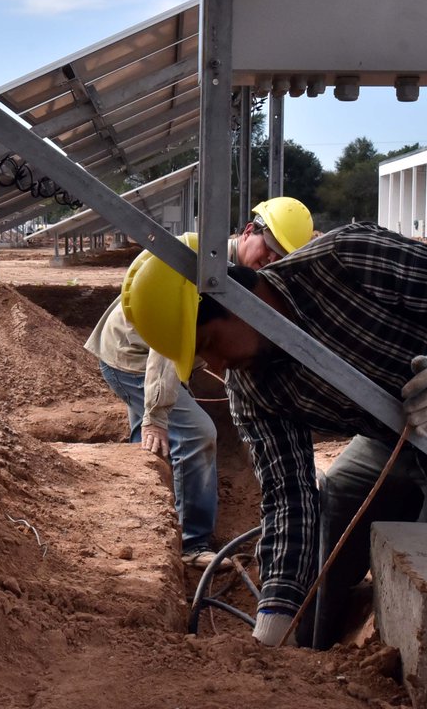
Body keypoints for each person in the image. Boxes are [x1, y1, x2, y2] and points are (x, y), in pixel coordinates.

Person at [121, 220, 427, 646]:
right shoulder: (252, 388)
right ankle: (313, 642)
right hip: (392, 435)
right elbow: (290, 496)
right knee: (320, 569)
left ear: (232, 294)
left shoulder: (346, 261)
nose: (220, 366)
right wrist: (277, 611)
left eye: (209, 344)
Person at [84, 197, 314, 569]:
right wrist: (158, 412)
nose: (270, 262)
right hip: (133, 360)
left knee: (150, 448)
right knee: (197, 434)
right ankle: (191, 543)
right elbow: (165, 348)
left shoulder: (231, 274)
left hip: (135, 354)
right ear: (250, 231)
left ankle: (147, 523)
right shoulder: (204, 267)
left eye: (280, 259)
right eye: (269, 250)